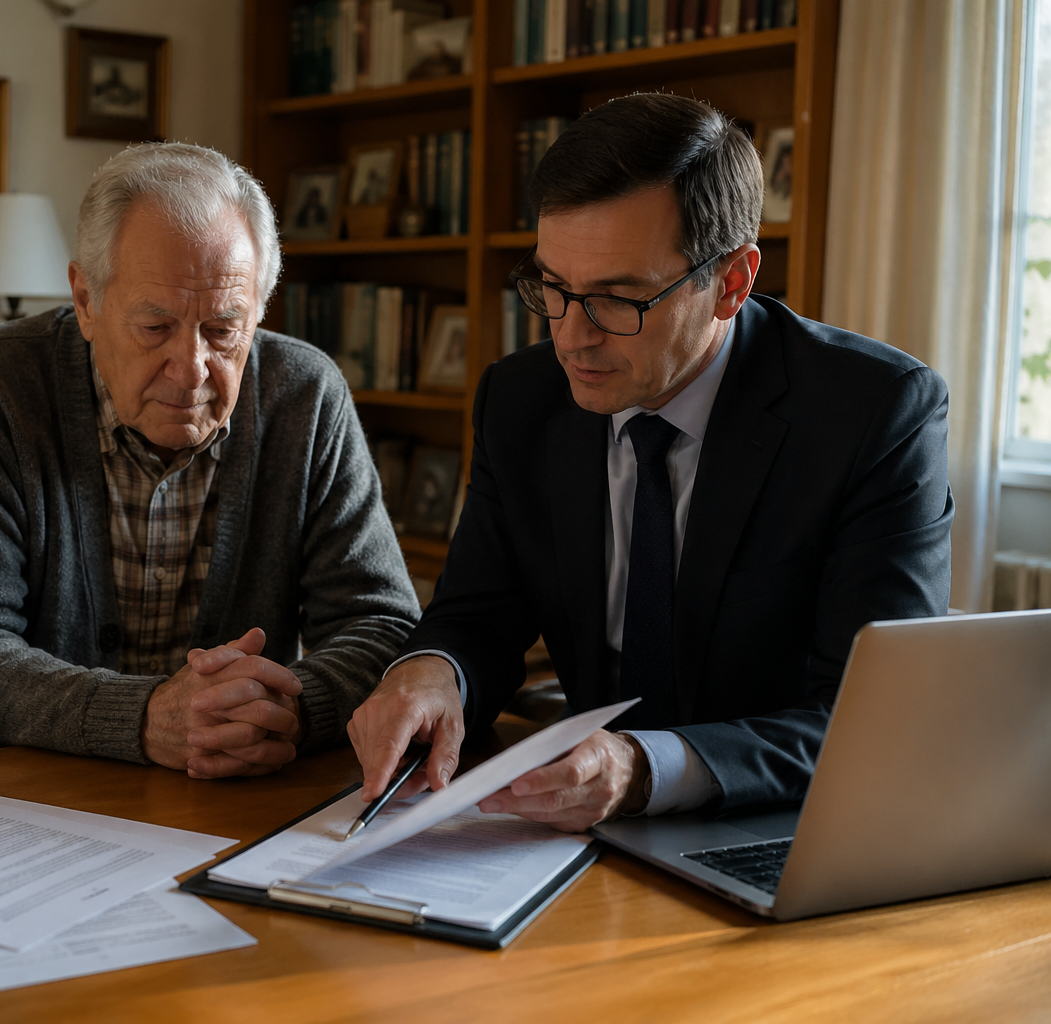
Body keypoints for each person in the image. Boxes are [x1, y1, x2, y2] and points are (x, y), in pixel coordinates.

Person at [348, 93, 952, 831]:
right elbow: (479, 615)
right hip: (577, 831)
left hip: (786, 826)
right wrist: (428, 674)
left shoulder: (874, 414)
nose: (572, 338)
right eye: (554, 289)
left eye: (616, 299)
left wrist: (643, 766)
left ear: (731, 282)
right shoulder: (522, 398)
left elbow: (870, 721)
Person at [0, 142, 421, 778]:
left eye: (223, 328)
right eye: (155, 327)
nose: (191, 369)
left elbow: (382, 626)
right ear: (87, 299)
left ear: (259, 309)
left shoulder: (306, 395)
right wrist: (146, 717)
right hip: (33, 791)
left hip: (239, 792)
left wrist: (286, 711)